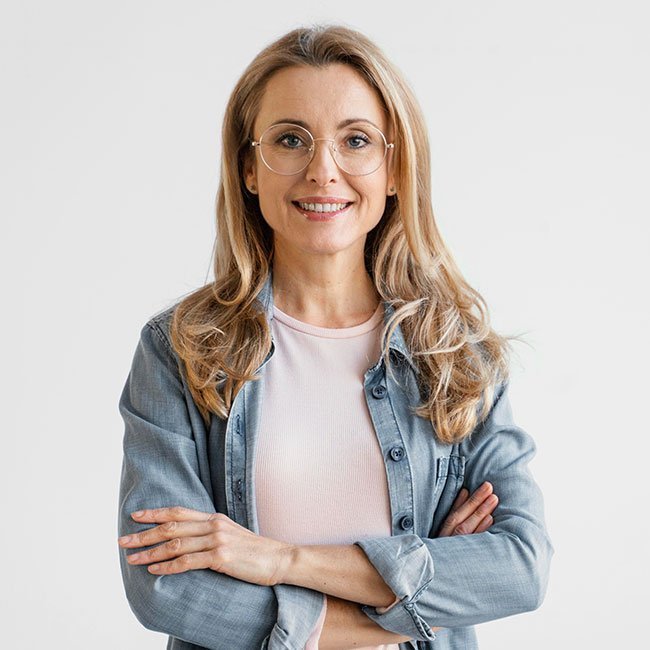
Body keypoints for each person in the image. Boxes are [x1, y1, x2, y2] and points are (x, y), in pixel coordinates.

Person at [116, 23, 553, 650]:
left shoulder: (457, 355)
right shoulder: (180, 350)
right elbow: (163, 587)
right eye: (290, 140)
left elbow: (520, 567)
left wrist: (279, 559)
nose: (323, 171)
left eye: (356, 140)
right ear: (249, 168)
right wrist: (410, 598)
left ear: (394, 169)